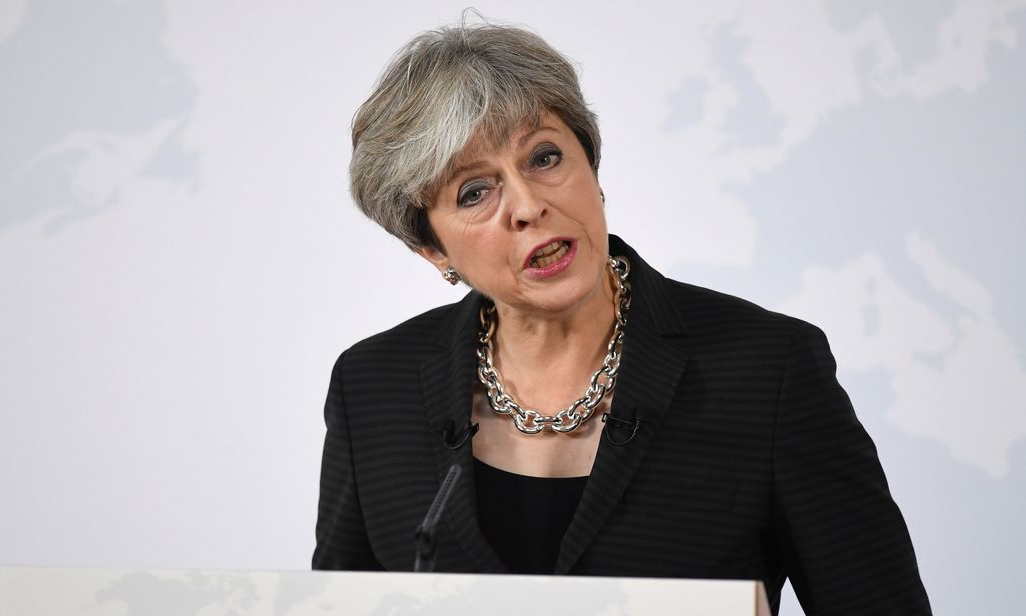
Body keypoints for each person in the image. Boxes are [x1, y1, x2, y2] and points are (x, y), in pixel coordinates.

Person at [313, 21, 931, 615]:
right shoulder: (372, 389)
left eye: (545, 157)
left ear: (593, 168)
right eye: (475, 192)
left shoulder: (769, 371)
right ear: (433, 250)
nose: (529, 206)